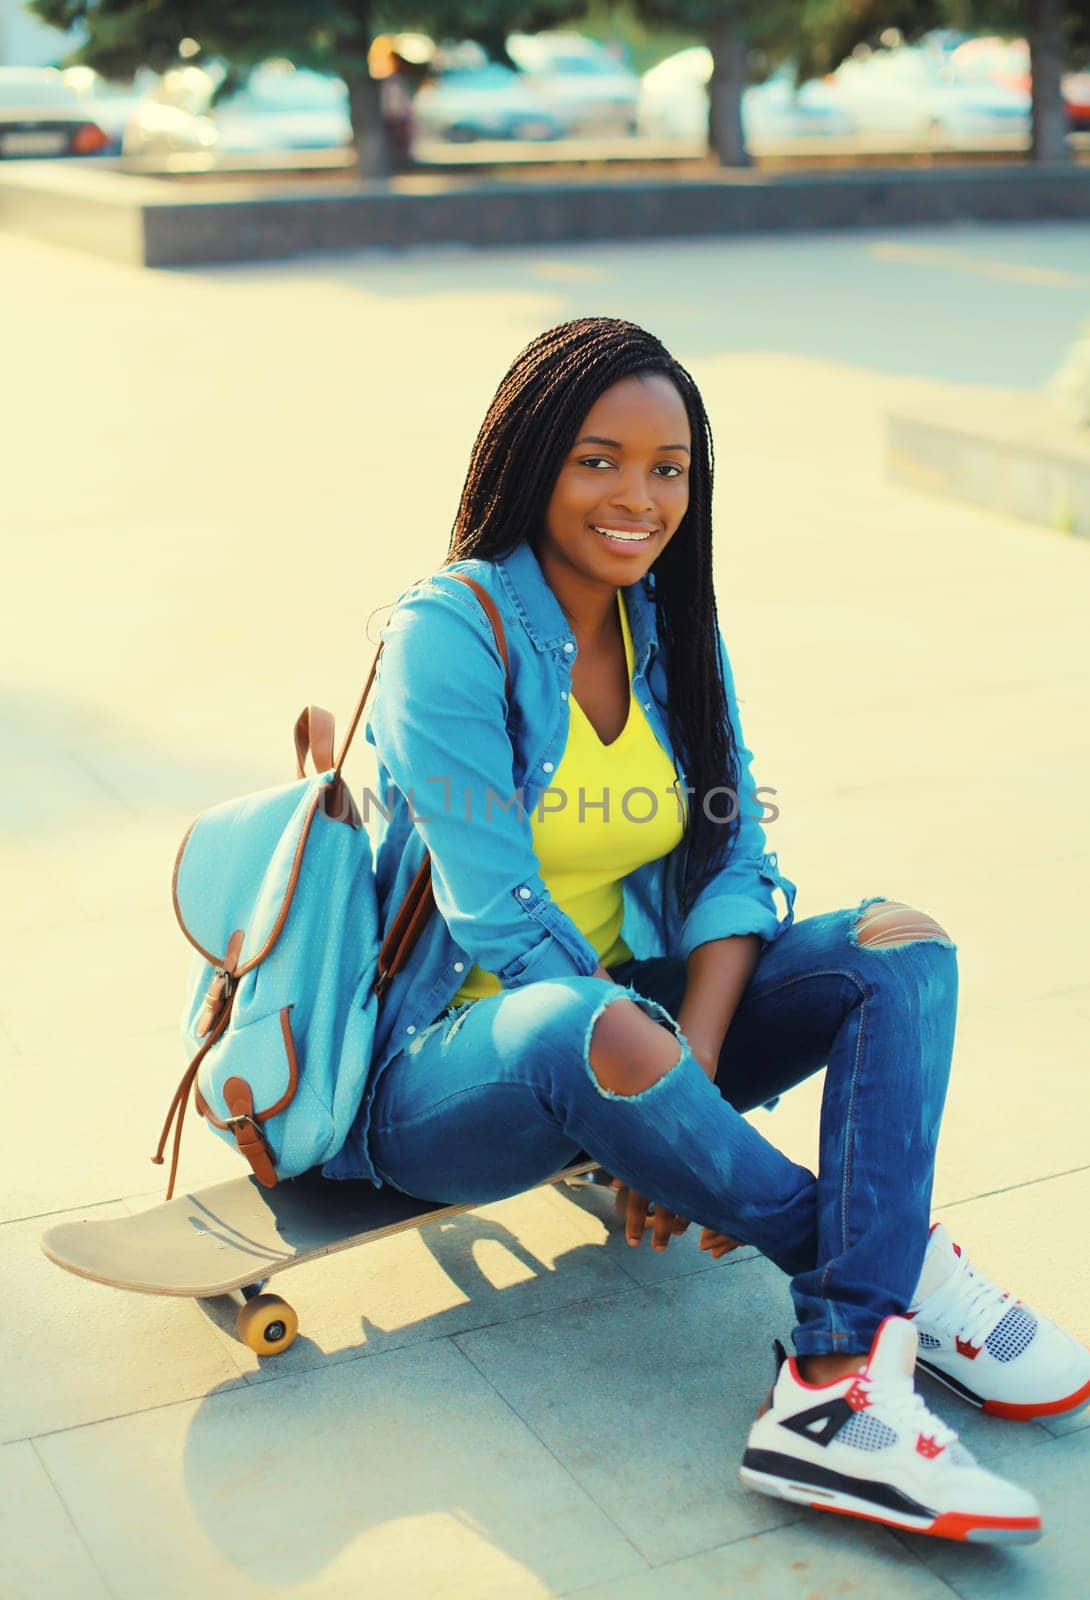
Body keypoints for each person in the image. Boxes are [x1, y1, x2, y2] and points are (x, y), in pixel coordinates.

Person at [324, 317, 1089, 1544]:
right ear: (529, 460)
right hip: (455, 1070)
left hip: (637, 1027)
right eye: (598, 459)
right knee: (580, 1013)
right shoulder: (446, 635)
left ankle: (834, 1382)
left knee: (900, 944)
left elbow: (733, 851)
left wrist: (688, 1076)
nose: (638, 497)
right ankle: (902, 1282)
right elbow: (502, 925)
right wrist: (648, 1073)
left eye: (668, 467)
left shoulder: (665, 625)